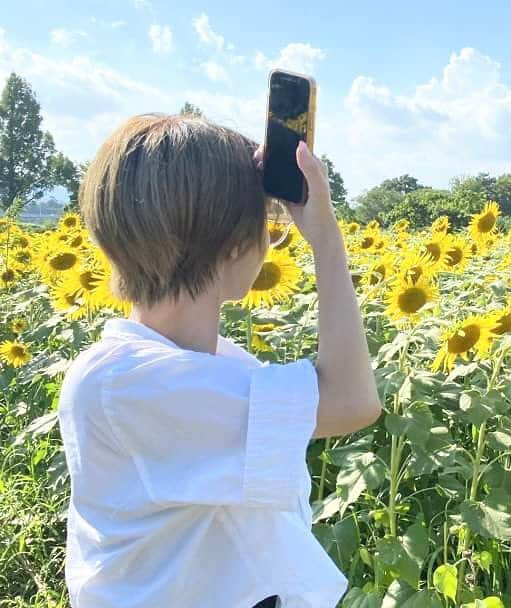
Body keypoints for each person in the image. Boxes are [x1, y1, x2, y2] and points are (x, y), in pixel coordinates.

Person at [57, 114, 382, 607]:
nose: (271, 239)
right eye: (267, 222)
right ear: (232, 243)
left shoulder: (207, 365)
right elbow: (352, 401)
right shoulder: (124, 382)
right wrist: (325, 240)